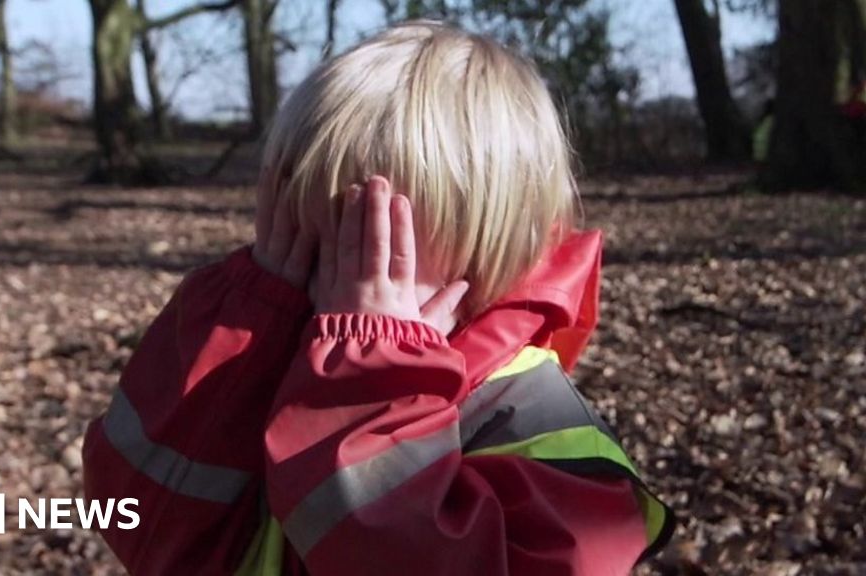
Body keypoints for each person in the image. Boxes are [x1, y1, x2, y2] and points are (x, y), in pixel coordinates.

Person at [82, 21, 674, 576]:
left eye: (369, 255)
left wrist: (372, 384)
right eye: (308, 251)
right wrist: (244, 318)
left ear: (491, 254)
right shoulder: (286, 347)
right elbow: (136, 521)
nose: (326, 297)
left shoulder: (544, 429)